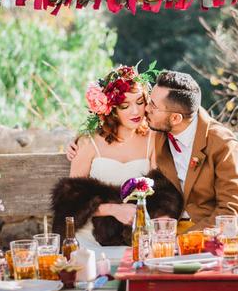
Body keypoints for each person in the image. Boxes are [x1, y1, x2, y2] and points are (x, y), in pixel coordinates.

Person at [67, 70, 238, 233]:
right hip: (156, 232)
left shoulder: (223, 146)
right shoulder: (158, 132)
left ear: (176, 118)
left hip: (204, 235)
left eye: (151, 105)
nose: (145, 109)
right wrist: (79, 140)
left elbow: (232, 211)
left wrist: (186, 240)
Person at [52, 66, 183, 262]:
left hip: (134, 235)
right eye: (124, 106)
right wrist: (114, 209)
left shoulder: (153, 139)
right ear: (111, 109)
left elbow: (163, 192)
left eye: (140, 102)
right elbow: (70, 203)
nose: (135, 110)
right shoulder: (88, 143)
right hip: (89, 237)